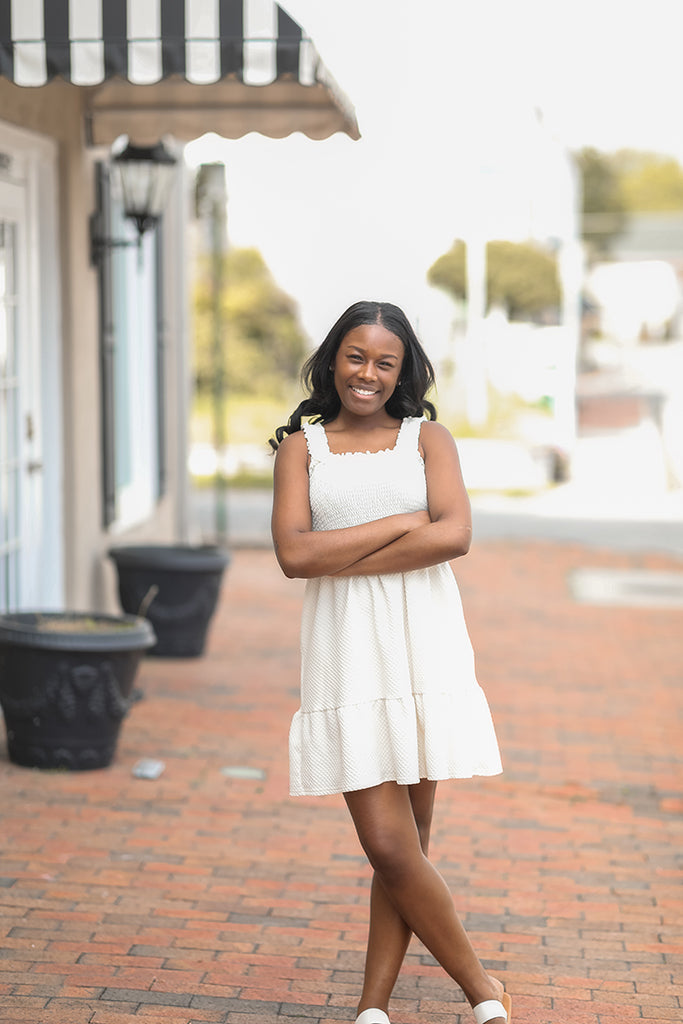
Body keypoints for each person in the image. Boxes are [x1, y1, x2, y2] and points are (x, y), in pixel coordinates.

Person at [270, 300, 511, 1024]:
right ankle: (484, 992)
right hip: (344, 658)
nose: (366, 374)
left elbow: (455, 536)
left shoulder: (427, 438)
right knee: (388, 845)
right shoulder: (300, 448)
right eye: (354, 356)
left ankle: (372, 1008)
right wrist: (406, 521)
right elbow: (292, 555)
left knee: (407, 848)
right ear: (331, 359)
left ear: (401, 371)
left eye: (383, 362)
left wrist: (340, 552)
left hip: (423, 648)